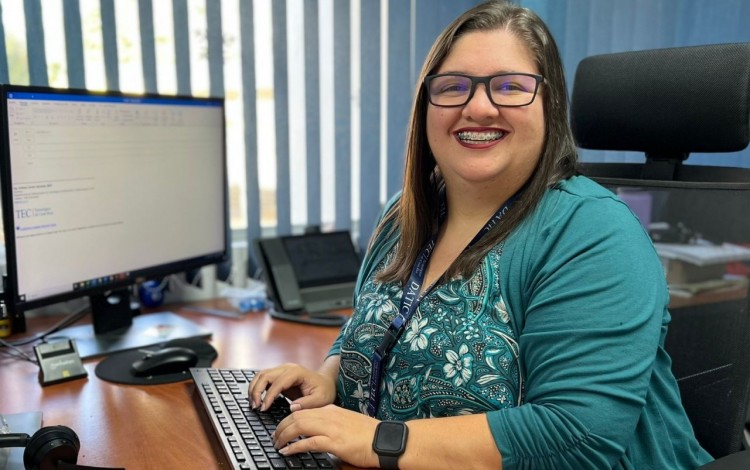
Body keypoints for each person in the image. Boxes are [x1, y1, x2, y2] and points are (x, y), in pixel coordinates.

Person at [249, 1, 713, 468]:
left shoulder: (593, 234)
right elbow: (374, 327)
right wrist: (329, 379)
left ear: (549, 105)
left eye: (511, 87)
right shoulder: (404, 213)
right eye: (453, 87)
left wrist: (380, 440)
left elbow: (576, 438)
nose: (479, 107)